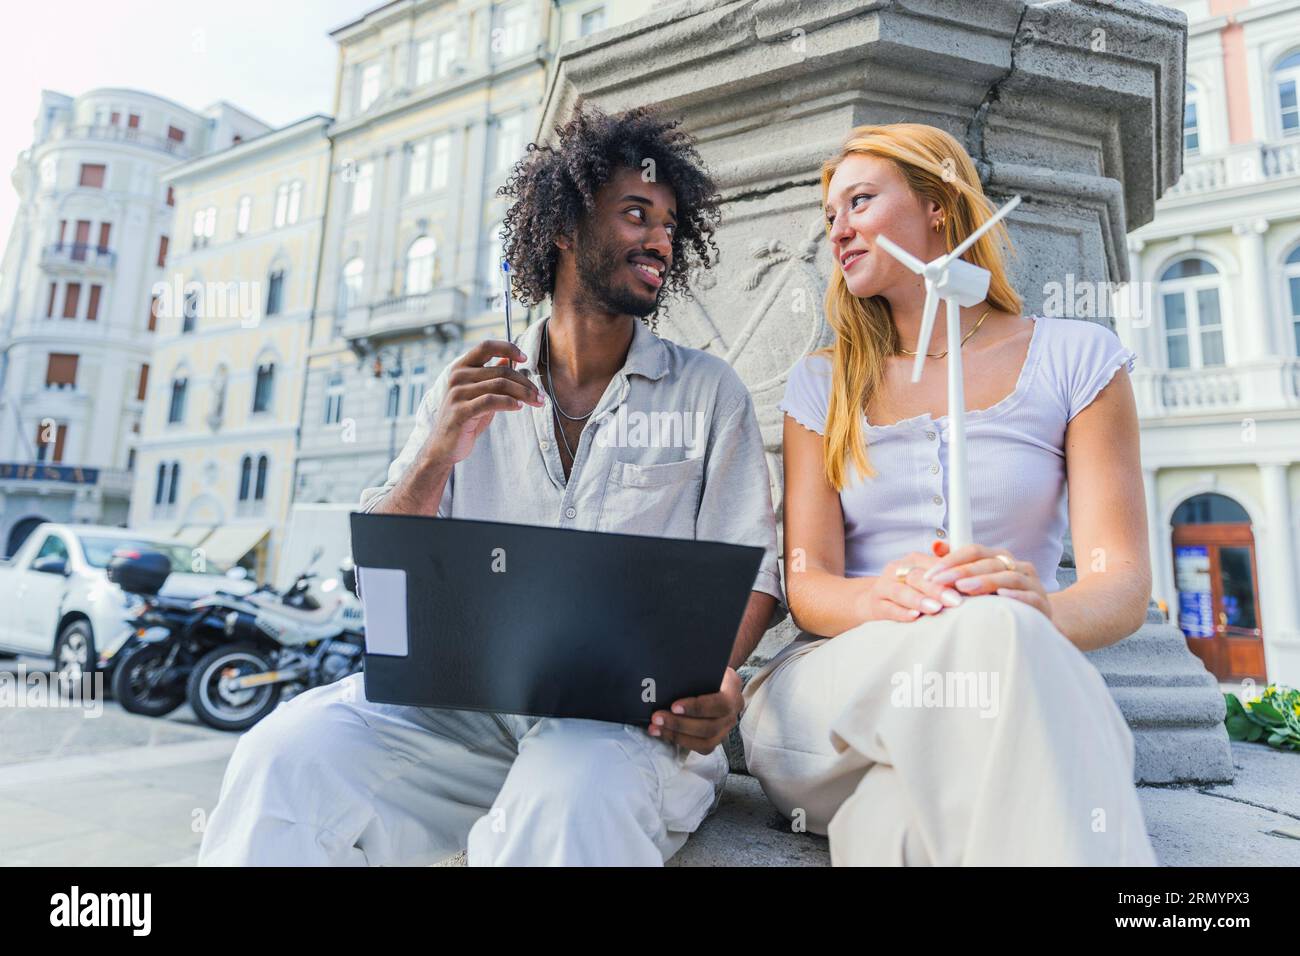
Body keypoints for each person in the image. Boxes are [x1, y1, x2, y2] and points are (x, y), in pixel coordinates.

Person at [198, 105, 783, 867]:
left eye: (671, 224)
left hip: (625, 727)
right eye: (636, 214)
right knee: (285, 755)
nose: (660, 239)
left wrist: (718, 681)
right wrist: (437, 450)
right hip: (463, 718)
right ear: (567, 227)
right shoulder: (468, 385)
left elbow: (753, 577)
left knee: (568, 791)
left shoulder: (708, 393)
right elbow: (383, 571)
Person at [740, 123, 1157, 865]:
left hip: (999, 682)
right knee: (1002, 650)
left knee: (892, 823)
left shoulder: (1077, 358)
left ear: (937, 203)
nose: (839, 230)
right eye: (830, 216)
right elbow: (806, 583)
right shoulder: (822, 383)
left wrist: (1038, 607)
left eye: (860, 201)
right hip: (833, 696)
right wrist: (877, 599)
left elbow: (1120, 583)